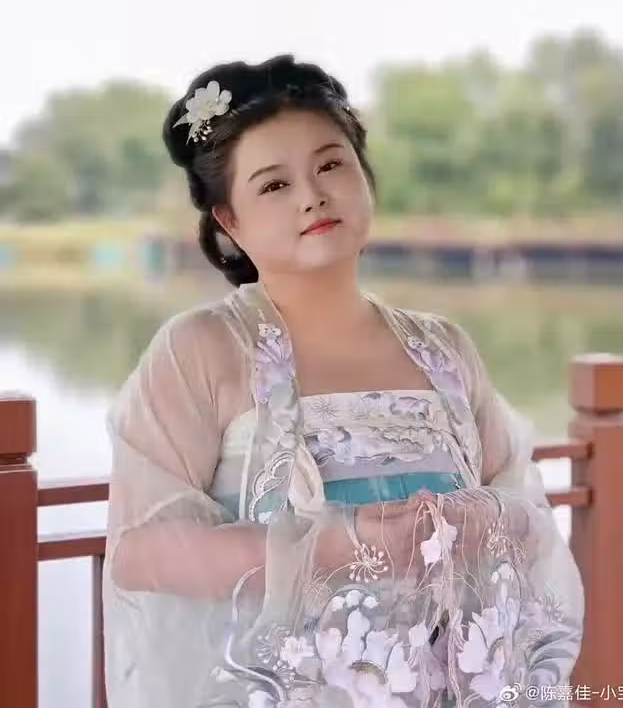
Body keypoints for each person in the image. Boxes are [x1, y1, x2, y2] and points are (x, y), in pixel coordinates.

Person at [103, 55, 583, 708]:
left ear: (364, 175)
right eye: (274, 185)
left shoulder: (444, 349)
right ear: (230, 222)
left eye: (331, 165)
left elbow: (524, 512)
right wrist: (334, 548)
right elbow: (142, 553)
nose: (312, 195)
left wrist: (470, 525)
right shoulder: (201, 350)